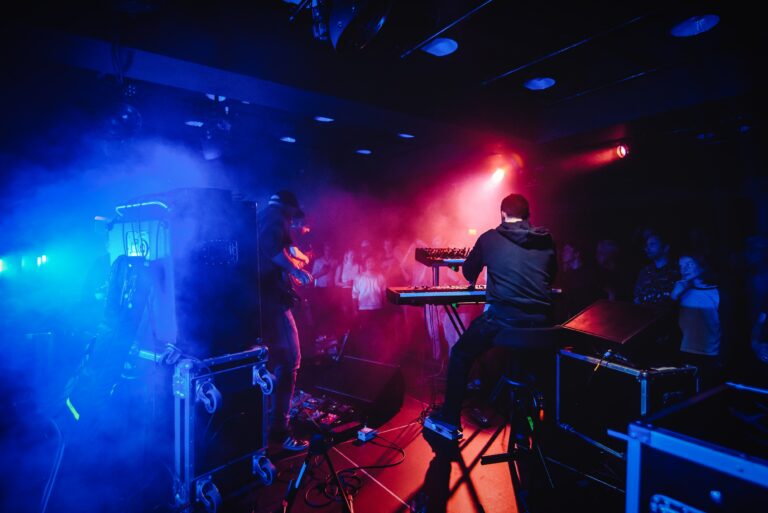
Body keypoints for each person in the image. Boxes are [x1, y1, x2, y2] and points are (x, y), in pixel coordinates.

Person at [425, 193, 557, 437]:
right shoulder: (546, 240)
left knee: (460, 353)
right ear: (528, 216)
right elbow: (551, 275)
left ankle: (449, 419)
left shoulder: (490, 238)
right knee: (531, 364)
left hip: (504, 322)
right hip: (544, 326)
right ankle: (531, 423)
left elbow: (468, 272)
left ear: (503, 214)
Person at [255, 190, 313, 451]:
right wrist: (294, 270)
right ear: (289, 208)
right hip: (273, 304)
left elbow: (284, 244)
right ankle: (280, 429)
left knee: (271, 365)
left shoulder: (265, 215)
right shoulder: (275, 216)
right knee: (290, 361)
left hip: (261, 304)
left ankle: (265, 428)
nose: (294, 221)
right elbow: (270, 246)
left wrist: (296, 256)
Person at [671, 252, 722, 391]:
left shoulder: (717, 292)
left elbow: (727, 327)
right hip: (685, 351)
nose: (684, 269)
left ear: (702, 265)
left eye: (689, 264)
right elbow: (665, 319)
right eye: (681, 266)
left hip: (710, 355)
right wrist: (674, 296)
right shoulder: (681, 291)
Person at [634, 231, 680, 306]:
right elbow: (636, 297)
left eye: (652, 244)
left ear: (666, 248)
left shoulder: (677, 271)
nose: (647, 248)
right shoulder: (645, 271)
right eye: (646, 245)